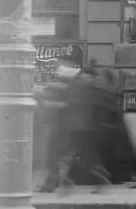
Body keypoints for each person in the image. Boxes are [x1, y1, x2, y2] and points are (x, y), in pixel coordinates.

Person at [38, 61, 110, 193]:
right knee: (60, 156)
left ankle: (56, 184)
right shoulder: (73, 86)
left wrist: (49, 104)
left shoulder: (72, 87)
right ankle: (55, 183)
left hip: (69, 128)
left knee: (56, 155)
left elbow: (68, 104)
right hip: (72, 128)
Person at [94, 66, 136, 184]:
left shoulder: (107, 91)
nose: (98, 80)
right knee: (115, 153)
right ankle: (120, 176)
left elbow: (110, 108)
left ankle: (117, 177)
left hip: (112, 126)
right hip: (113, 125)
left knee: (113, 153)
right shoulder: (110, 90)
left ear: (106, 79)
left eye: (100, 78)